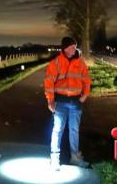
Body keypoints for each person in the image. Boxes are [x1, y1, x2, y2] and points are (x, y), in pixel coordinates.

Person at [44, 36, 91, 170]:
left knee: (74, 130)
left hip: (76, 102)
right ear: (65, 48)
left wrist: (85, 96)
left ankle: (75, 157)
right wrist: (50, 100)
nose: (74, 48)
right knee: (57, 130)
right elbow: (48, 83)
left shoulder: (80, 63)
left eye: (75, 46)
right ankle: (54, 159)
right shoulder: (56, 63)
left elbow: (87, 81)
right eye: (71, 46)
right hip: (60, 101)